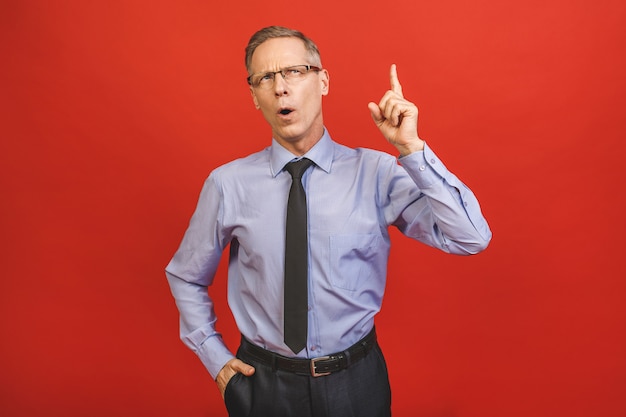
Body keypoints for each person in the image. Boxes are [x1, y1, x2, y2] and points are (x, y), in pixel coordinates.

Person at [165, 25, 492, 417]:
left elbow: (471, 237)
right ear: (254, 96)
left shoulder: (377, 173)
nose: (280, 88)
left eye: (294, 71)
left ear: (323, 81)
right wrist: (215, 359)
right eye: (265, 78)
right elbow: (186, 274)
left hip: (357, 383)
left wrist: (412, 150)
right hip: (264, 386)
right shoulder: (227, 184)